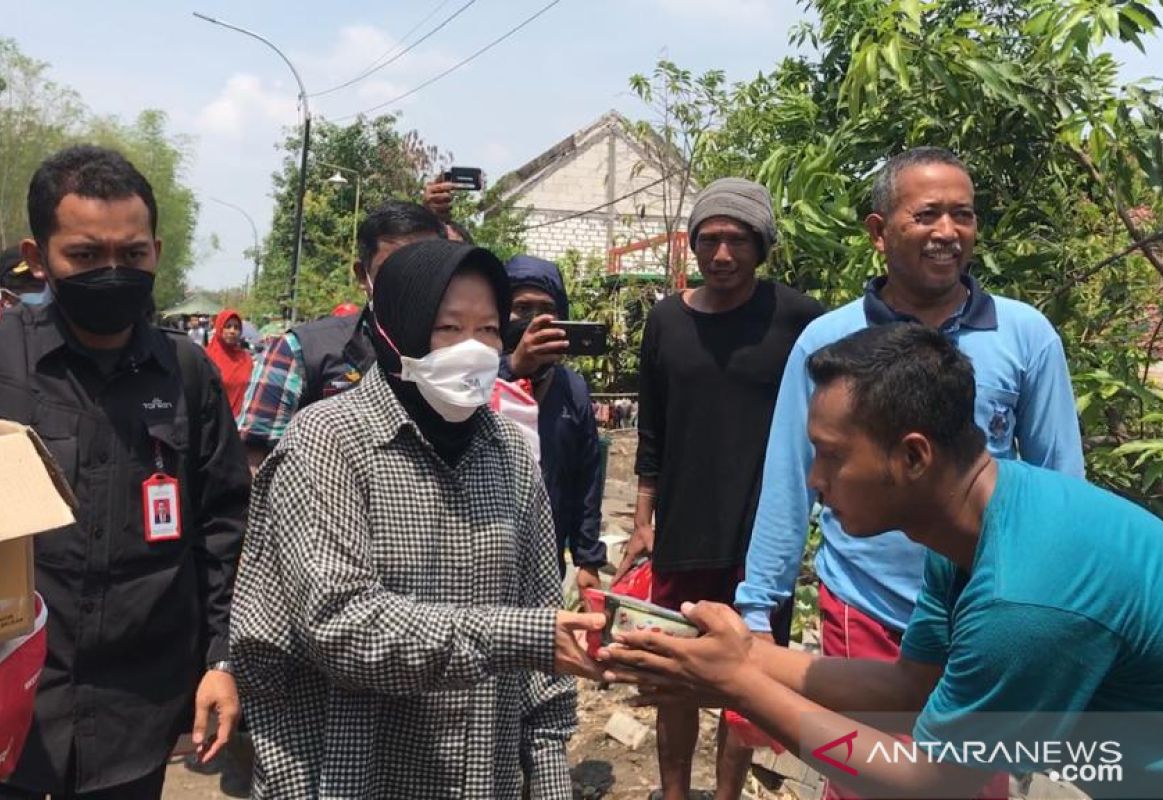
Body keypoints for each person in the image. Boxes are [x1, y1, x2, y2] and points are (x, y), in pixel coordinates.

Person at [602, 323, 1163, 799]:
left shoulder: (1020, 598)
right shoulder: (974, 520)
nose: (814, 479)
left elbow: (928, 780)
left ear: (912, 456)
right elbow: (910, 687)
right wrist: (745, 656)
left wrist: (740, 687)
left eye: (830, 456)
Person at [735, 146, 1084, 785]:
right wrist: (757, 612)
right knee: (865, 775)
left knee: (967, 782)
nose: (948, 232)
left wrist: (1053, 616)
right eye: (927, 215)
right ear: (879, 231)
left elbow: (1060, 482)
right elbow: (789, 481)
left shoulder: (1026, 336)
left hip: (982, 615)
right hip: (863, 606)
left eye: (964, 215)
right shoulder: (827, 343)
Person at [230, 239, 606, 799]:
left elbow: (542, 666)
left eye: (487, 331)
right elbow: (340, 624)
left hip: (484, 777)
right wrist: (519, 636)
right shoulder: (328, 442)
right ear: (396, 329)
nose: (473, 351)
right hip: (353, 776)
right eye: (448, 329)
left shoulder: (509, 454)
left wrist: (550, 785)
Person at [0, 145, 248, 799]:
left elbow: (223, 531)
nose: (112, 273)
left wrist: (221, 660)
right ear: (38, 256)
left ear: (155, 250)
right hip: (11, 707)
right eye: (85, 255)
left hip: (137, 712)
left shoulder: (188, 376)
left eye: (131, 256)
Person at [618, 177, 824, 800]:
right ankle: (675, 792)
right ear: (693, 246)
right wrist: (643, 519)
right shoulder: (666, 320)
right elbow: (651, 431)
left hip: (764, 539)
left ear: (762, 246)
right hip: (683, 531)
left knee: (751, 680)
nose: (723, 254)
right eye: (710, 239)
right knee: (672, 674)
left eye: (738, 239)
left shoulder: (798, 318)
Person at [237, 200, 444, 469]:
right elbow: (253, 467)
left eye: (425, 270)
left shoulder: (460, 352)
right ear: (362, 275)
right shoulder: (299, 352)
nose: (411, 284)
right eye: (392, 270)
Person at [501, 254, 608, 593]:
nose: (534, 320)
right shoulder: (474, 375)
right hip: (483, 558)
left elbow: (586, 479)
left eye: (545, 309)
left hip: (547, 565)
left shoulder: (572, 388)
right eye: (522, 308)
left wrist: (588, 558)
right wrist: (512, 369)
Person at [206, 308, 254, 419]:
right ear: (219, 328)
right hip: (215, 422)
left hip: (240, 423)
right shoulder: (207, 358)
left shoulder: (246, 359)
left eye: (236, 327)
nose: (232, 331)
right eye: (228, 326)